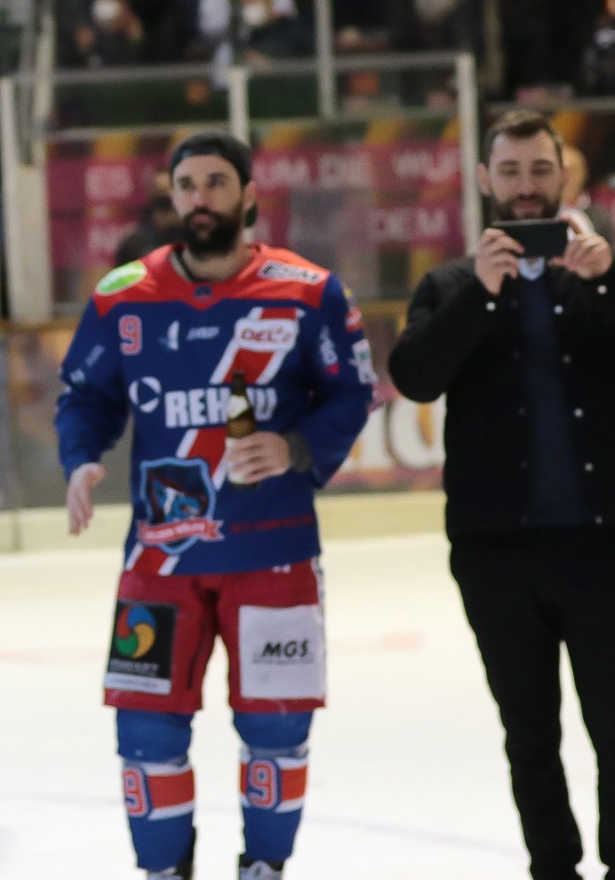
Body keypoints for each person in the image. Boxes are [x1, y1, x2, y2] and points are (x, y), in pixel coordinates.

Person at [55, 131, 376, 880]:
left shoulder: (309, 291)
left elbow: (352, 393)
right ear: (172, 197)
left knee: (277, 728)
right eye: (187, 185)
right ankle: (164, 870)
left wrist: (295, 446)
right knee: (144, 731)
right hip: (160, 557)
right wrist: (80, 462)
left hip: (276, 555)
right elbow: (85, 398)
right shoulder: (123, 292)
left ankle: (264, 867)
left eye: (216, 183)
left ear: (248, 196)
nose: (200, 199)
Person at [388, 110, 615, 880]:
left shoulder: (601, 275)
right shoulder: (450, 284)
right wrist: (479, 295)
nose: (526, 188)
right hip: (496, 556)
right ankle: (553, 866)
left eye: (539, 171)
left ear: (565, 177)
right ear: (485, 181)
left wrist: (605, 282)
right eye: (510, 172)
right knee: (529, 731)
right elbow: (415, 375)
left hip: (600, 545)